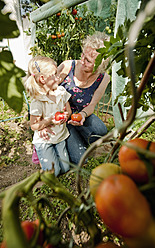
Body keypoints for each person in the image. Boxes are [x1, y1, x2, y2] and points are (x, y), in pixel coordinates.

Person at [39, 31, 110, 164]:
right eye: (83, 54)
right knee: (80, 160)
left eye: (88, 60)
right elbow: (45, 91)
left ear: (100, 64)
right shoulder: (68, 66)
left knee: (100, 131)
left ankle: (75, 137)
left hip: (78, 116)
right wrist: (45, 120)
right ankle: (68, 138)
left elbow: (92, 105)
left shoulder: (103, 78)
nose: (82, 60)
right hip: (60, 118)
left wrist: (82, 115)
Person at [24, 55, 72, 176]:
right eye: (54, 75)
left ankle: (50, 157)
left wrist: (66, 115)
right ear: (42, 79)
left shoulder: (61, 92)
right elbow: (34, 126)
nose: (58, 77)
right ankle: (41, 155)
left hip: (60, 137)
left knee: (65, 169)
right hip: (44, 140)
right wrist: (49, 121)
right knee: (53, 173)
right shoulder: (38, 101)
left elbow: (69, 111)